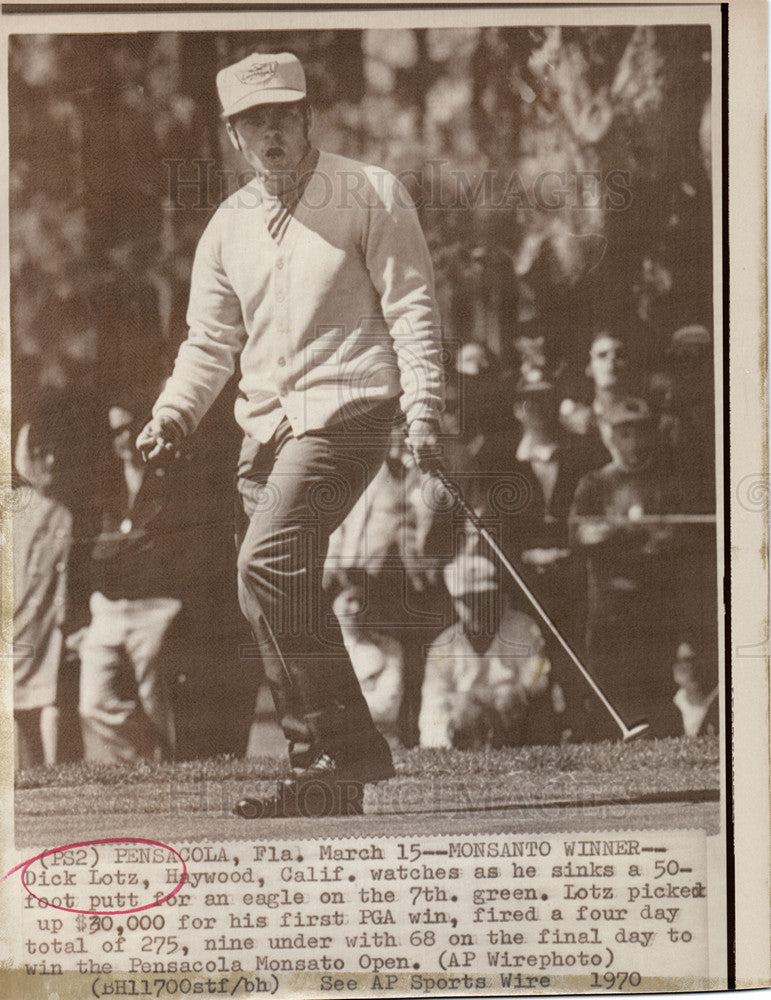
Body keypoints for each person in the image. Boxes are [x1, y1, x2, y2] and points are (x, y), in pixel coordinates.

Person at [137, 51, 444, 817]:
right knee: (263, 589)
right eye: (252, 122)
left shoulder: (369, 191)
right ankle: (322, 772)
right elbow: (210, 344)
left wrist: (426, 406)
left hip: (349, 409)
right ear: (235, 136)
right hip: (263, 429)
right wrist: (173, 412)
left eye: (282, 116)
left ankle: (352, 746)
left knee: (267, 563)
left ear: (309, 117)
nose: (269, 133)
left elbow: (412, 307)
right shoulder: (227, 225)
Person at [78, 395, 191, 762]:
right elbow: (88, 553)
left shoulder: (169, 483)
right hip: (108, 609)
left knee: (156, 697)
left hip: (155, 609)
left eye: (129, 428)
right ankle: (145, 756)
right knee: (93, 703)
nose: (123, 438)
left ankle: (168, 764)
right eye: (116, 432)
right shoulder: (102, 489)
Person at [568, 396, 685, 739]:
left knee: (658, 683)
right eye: (623, 433)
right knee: (608, 687)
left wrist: (648, 536)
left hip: (655, 604)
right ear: (608, 436)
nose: (632, 441)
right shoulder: (593, 483)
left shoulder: (666, 481)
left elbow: (675, 536)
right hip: (609, 609)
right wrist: (619, 531)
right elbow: (579, 535)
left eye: (639, 432)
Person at [418, 554, 558, 749]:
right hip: (467, 733)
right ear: (455, 602)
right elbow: (434, 703)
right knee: (463, 706)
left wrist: (516, 692)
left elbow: (538, 672)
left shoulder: (522, 627)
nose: (477, 608)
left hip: (516, 722)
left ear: (496, 596)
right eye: (467, 600)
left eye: (483, 598)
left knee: (510, 697)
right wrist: (436, 744)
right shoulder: (443, 647)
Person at [12, 413, 73, 769]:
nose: (48, 461)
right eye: (39, 453)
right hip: (23, 619)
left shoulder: (60, 512)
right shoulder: (19, 508)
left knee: (46, 696)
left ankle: (49, 768)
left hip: (46, 621)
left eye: (52, 453)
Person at [332, 583, 404, 740]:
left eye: (361, 600)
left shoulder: (388, 648)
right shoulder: (321, 651)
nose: (356, 607)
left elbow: (388, 708)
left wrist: (340, 703)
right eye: (349, 599)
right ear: (333, 602)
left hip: (381, 739)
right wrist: (364, 691)